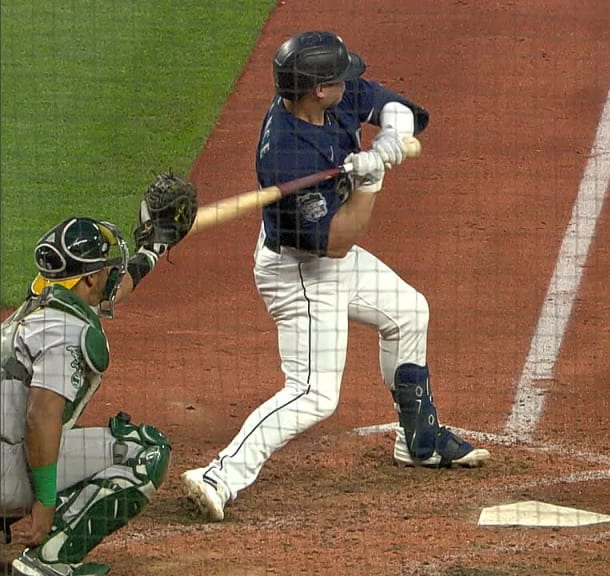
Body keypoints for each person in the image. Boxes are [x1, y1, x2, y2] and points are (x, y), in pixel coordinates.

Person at [181, 30, 490, 522]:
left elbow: (399, 110)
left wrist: (387, 141)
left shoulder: (330, 98)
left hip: (330, 259)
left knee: (409, 312)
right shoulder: (286, 155)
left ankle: (420, 442)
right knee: (314, 393)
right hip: (301, 271)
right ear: (317, 89)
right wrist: (371, 182)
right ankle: (220, 474)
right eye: (341, 77)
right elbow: (337, 239)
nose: (352, 82)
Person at [1, 216, 173, 576]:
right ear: (90, 278)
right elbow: (41, 415)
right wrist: (45, 501)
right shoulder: (66, 331)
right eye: (105, 265)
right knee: (144, 451)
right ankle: (50, 560)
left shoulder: (33, 313)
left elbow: (110, 290)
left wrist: (154, 249)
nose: (111, 272)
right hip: (5, 478)